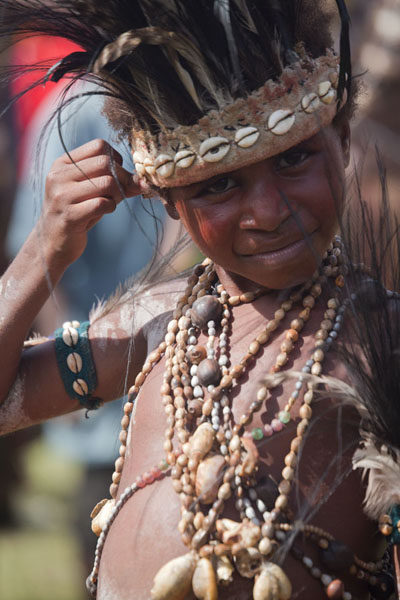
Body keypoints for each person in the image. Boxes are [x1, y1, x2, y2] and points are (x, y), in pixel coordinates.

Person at [0, 2, 399, 599]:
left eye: (293, 159)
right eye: (218, 184)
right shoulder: (155, 326)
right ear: (165, 197)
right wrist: (42, 253)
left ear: (342, 136)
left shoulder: (381, 342)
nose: (268, 211)